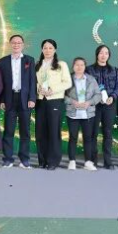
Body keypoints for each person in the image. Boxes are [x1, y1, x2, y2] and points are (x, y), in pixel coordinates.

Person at [0, 34, 37, 168]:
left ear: (23, 45)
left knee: (25, 132)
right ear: (10, 44)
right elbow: (1, 83)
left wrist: (32, 98)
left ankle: (24, 159)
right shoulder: (3, 61)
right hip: (9, 98)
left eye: (19, 43)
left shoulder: (29, 60)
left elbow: (33, 80)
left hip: (25, 99)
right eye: (14, 43)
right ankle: (8, 159)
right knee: (8, 131)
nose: (16, 45)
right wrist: (2, 100)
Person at [35, 39, 72, 170]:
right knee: (40, 132)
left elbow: (67, 82)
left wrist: (53, 89)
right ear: (42, 49)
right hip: (40, 101)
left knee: (53, 131)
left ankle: (53, 161)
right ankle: (42, 160)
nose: (47, 50)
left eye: (50, 48)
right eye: (45, 48)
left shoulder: (61, 65)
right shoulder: (38, 65)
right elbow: (34, 82)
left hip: (55, 100)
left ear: (55, 50)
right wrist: (38, 89)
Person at [64, 57, 101, 170]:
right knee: (73, 138)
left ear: (85, 67)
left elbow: (98, 95)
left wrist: (89, 102)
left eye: (82, 65)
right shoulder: (68, 79)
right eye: (77, 65)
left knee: (88, 138)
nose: (79, 67)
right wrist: (72, 102)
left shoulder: (91, 79)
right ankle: (72, 161)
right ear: (73, 66)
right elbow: (61, 95)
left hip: (87, 114)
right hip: (72, 113)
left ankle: (88, 162)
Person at [88, 45, 118, 169]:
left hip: (109, 105)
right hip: (94, 105)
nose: (103, 55)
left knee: (108, 133)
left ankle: (108, 161)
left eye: (106, 53)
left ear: (109, 55)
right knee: (93, 133)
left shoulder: (114, 70)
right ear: (97, 54)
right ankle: (93, 160)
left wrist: (112, 97)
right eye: (101, 52)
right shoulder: (89, 70)